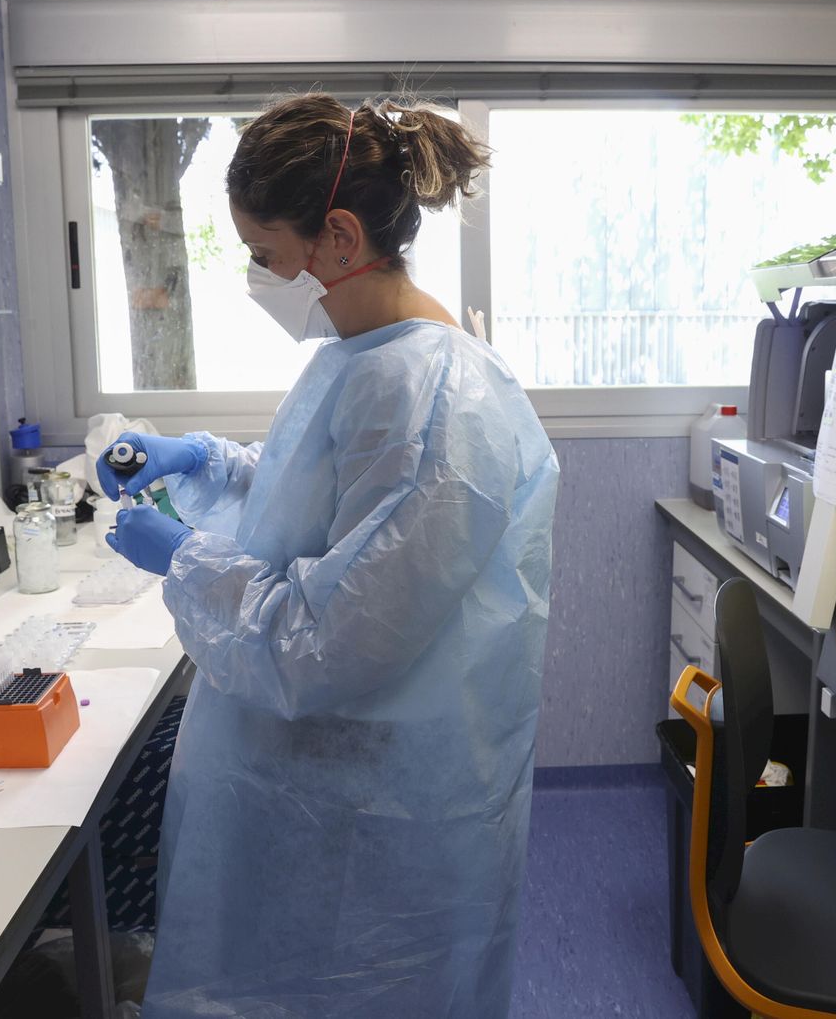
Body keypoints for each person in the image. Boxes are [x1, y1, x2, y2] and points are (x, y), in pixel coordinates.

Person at [99, 93, 560, 1019]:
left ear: (340, 238)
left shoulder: (441, 399)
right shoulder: (360, 355)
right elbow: (320, 505)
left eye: (266, 256)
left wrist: (186, 558)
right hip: (328, 776)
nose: (260, 278)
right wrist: (209, 465)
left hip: (381, 801)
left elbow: (327, 638)